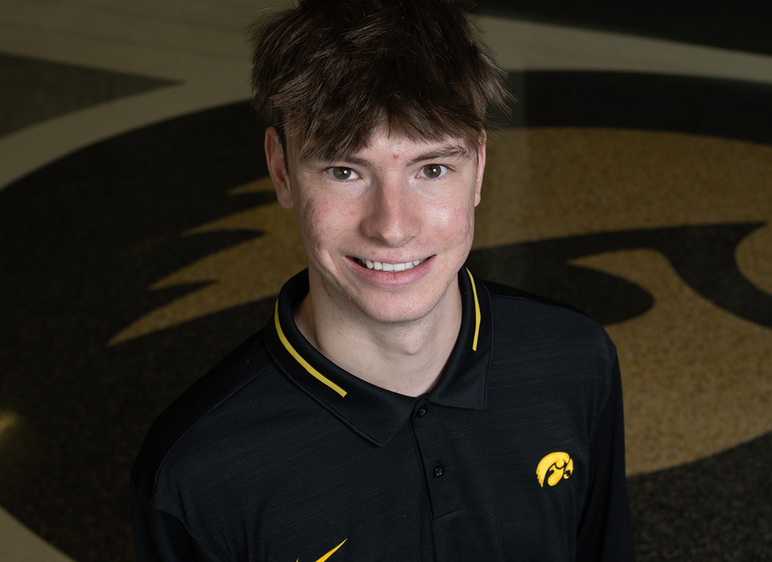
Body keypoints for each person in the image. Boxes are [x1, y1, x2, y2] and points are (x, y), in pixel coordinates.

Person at [130, 0, 634, 560]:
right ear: (282, 172)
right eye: (345, 171)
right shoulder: (196, 473)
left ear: (479, 170)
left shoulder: (576, 360)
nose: (392, 227)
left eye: (432, 169)